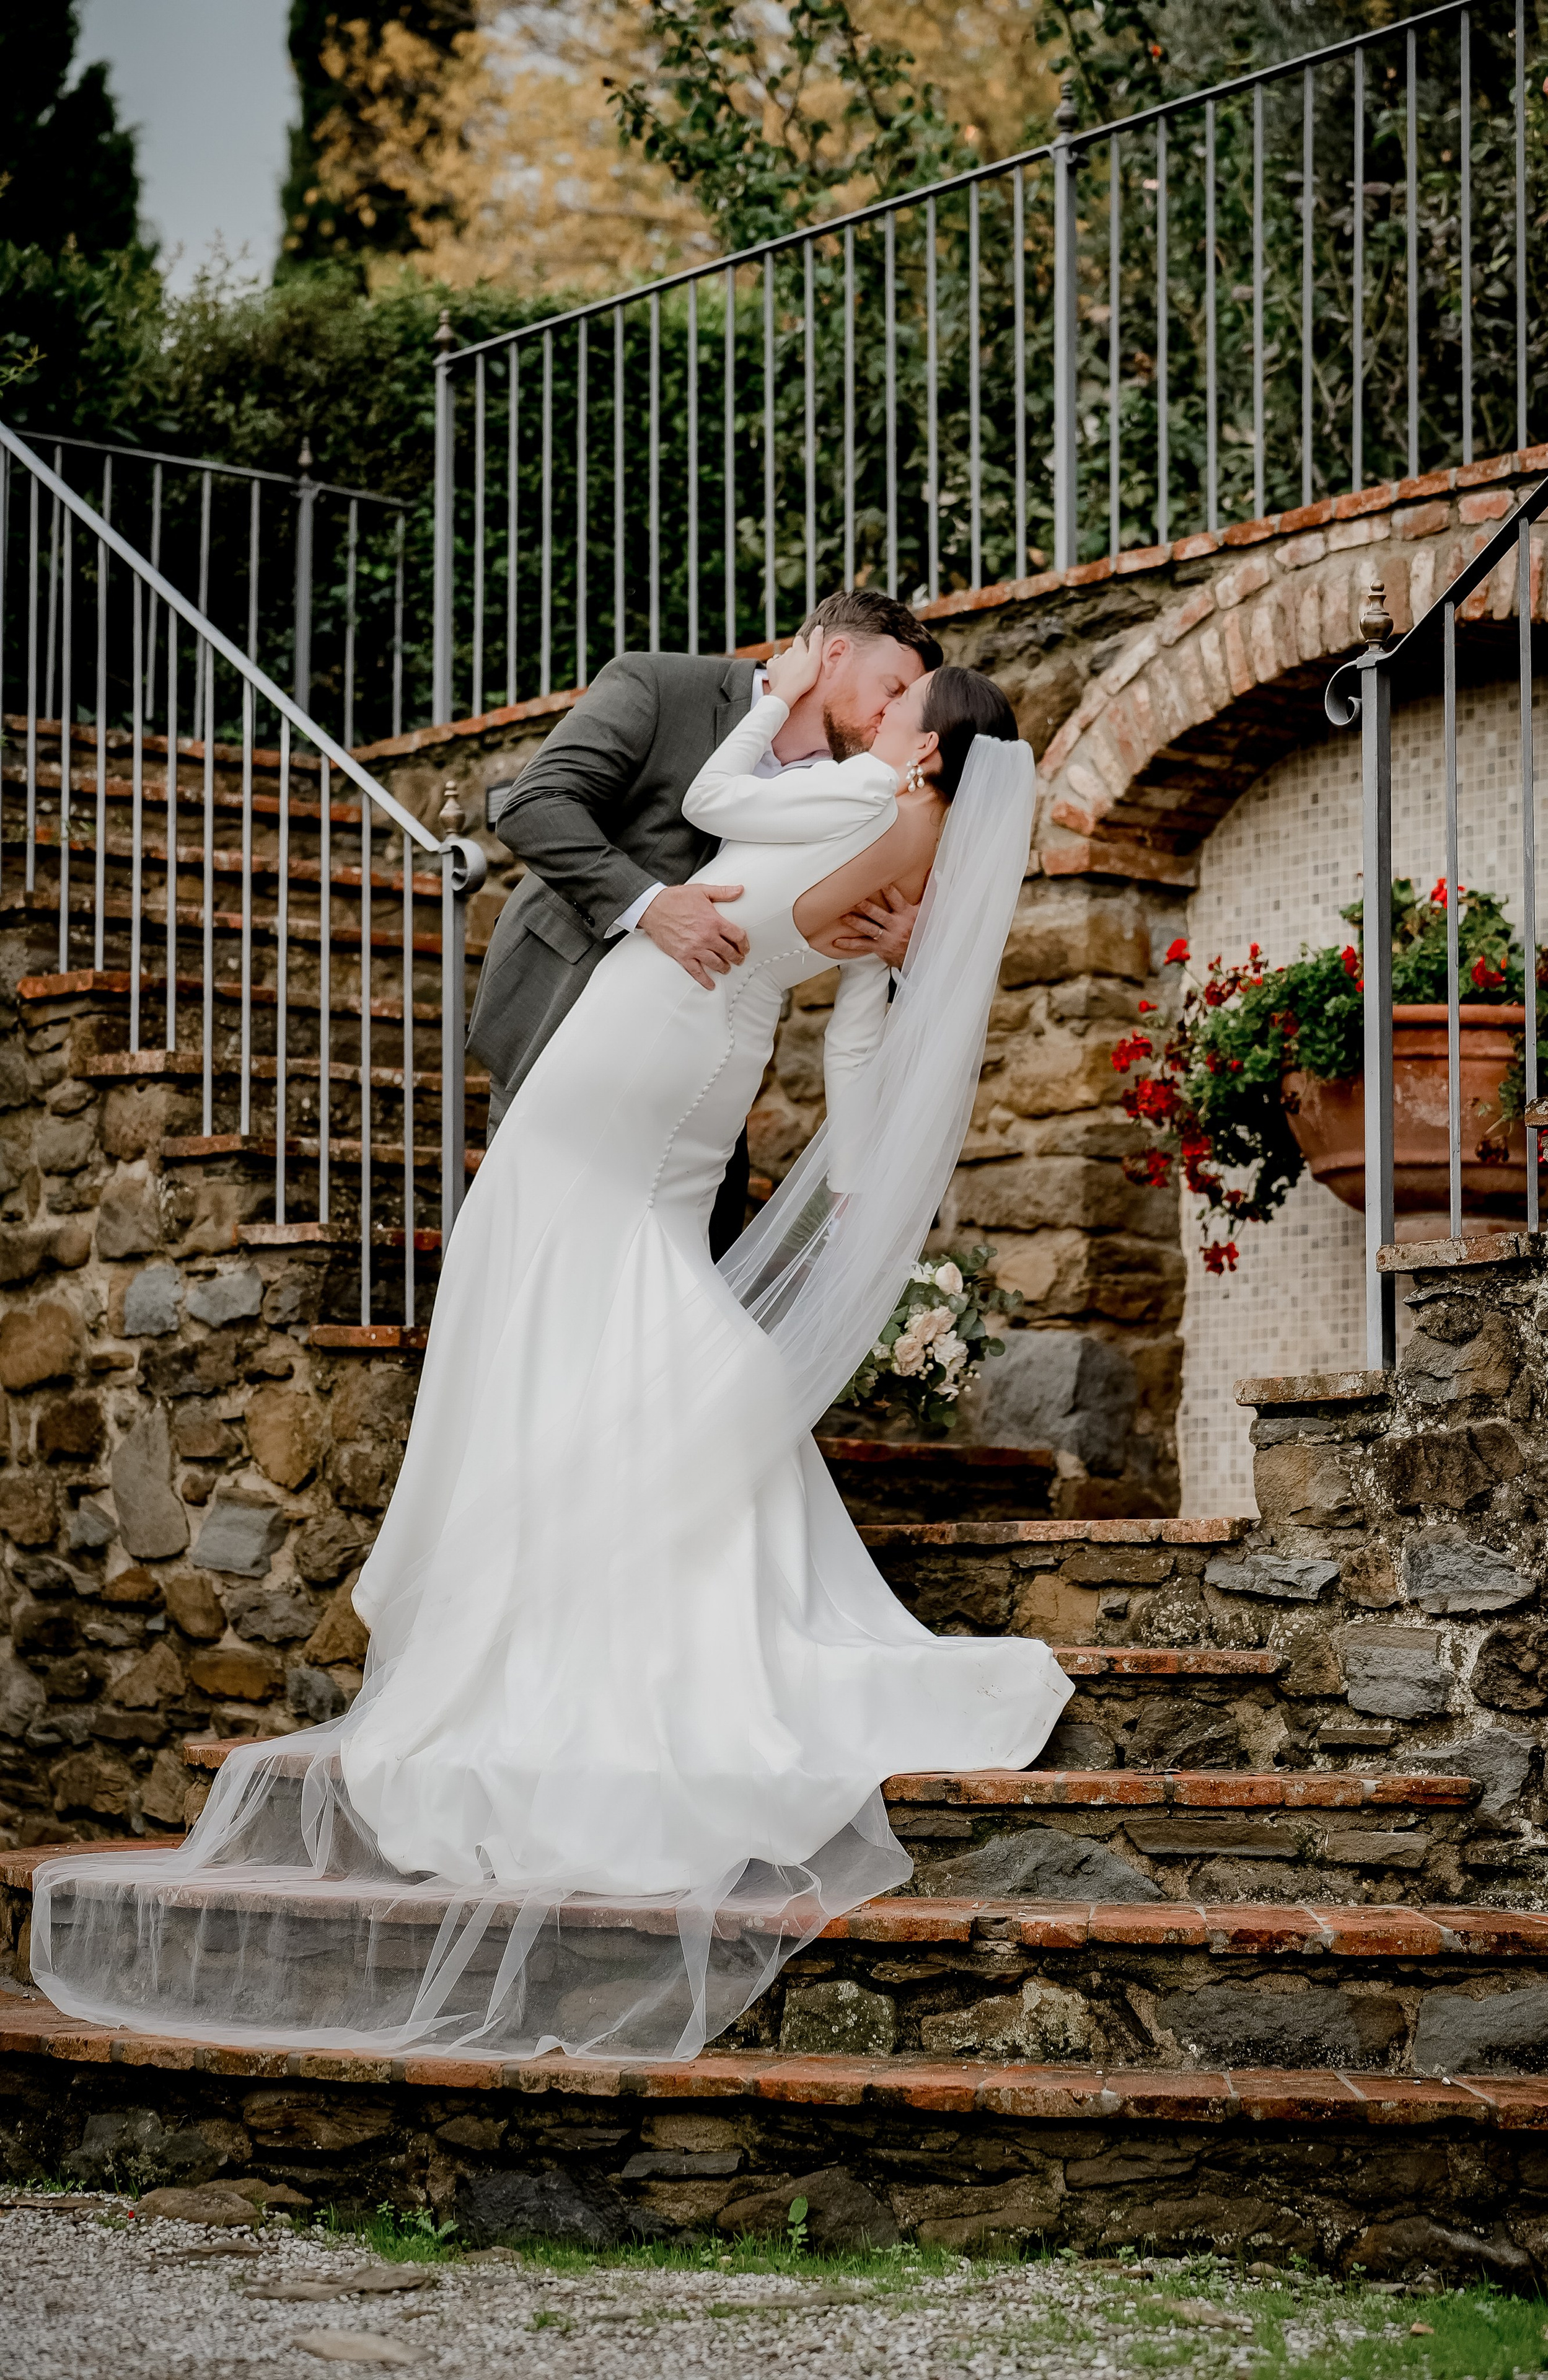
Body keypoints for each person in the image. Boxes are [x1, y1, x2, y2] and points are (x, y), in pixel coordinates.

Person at [31, 637, 1072, 2063]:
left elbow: (721, 797)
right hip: (702, 1055)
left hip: (644, 1039)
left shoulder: (846, 794)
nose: (876, 701)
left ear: (927, 740)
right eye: (879, 677)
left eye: (896, 695)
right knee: (640, 1300)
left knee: (563, 1275)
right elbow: (837, 989)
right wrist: (854, 1165)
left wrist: (770, 708)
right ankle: (664, 1570)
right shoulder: (909, 839)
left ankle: (593, 1580)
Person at [468, 589, 943, 1254]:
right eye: (890, 688)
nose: (892, 714)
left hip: (706, 1061)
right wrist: (650, 905)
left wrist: (901, 951)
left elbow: (839, 948)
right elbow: (536, 805)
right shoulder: (661, 685)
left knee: (693, 1262)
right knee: (536, 1249)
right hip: (567, 1007)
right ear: (834, 654)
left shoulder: (864, 788)